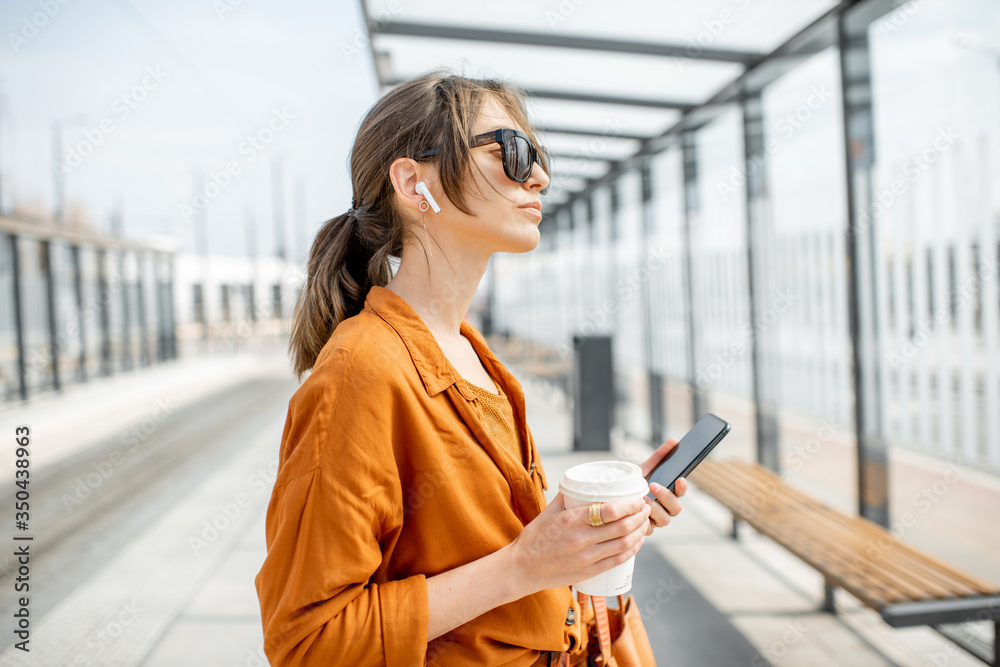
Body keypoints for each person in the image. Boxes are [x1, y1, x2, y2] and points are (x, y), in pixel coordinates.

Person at [254, 70, 689, 666]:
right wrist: (524, 566)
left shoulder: (471, 353)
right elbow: (306, 642)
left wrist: (598, 525)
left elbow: (491, 548)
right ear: (413, 183)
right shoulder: (361, 373)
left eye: (538, 155)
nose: (538, 176)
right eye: (511, 152)